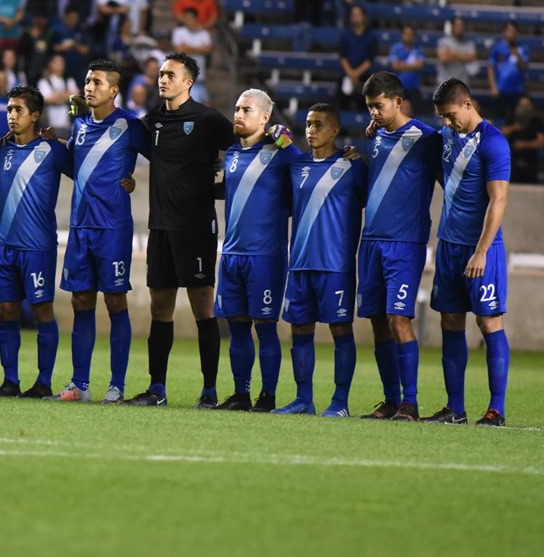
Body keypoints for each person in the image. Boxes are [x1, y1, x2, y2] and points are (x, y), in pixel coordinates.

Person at [128, 52, 236, 409]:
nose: (162, 79)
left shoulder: (207, 119)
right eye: (160, 74)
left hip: (196, 227)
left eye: (170, 74)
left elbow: (243, 148)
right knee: (161, 308)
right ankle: (156, 388)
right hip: (160, 225)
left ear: (188, 82)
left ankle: (209, 391)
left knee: (203, 306)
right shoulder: (152, 120)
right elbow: (124, 141)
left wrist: (221, 183)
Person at [49, 59, 144, 403]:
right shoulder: (80, 126)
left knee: (115, 300)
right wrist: (54, 145)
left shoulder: (131, 125)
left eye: (97, 82)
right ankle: (80, 385)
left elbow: (162, 157)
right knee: (81, 301)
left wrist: (131, 180)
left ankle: (116, 386)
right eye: (87, 81)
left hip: (113, 227)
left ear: (114, 91)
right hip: (80, 226)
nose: (89, 87)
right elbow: (77, 168)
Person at [424, 78, 511, 426]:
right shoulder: (447, 136)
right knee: (450, 320)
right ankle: (455, 409)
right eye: (442, 117)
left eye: (450, 115)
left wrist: (482, 251)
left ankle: (496, 410)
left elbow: (499, 199)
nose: (446, 122)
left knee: (488, 321)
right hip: (448, 246)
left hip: (481, 252)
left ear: (468, 105)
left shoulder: (493, 143)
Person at [357, 72, 441, 421]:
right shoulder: (375, 138)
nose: (373, 113)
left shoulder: (426, 138)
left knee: (398, 319)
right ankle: (391, 400)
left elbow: (448, 182)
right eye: (369, 108)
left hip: (405, 243)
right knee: (377, 320)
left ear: (397, 102)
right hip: (372, 241)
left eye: (378, 106)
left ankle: (410, 402)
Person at [274, 103, 367, 417]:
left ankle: (340, 403)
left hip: (335, 266)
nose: (311, 131)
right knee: (300, 331)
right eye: (309, 125)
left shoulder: (352, 167)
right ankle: (304, 400)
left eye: (318, 125)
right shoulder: (296, 166)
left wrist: (359, 154)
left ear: (335, 130)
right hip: (299, 264)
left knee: (340, 331)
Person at [0, 85, 72, 397]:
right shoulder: (3, 149)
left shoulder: (52, 151)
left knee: (41, 311)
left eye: (18, 110)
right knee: (6, 311)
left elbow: (82, 170)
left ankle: (43, 383)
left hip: (38, 246)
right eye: (9, 109)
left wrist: (59, 138)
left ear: (35, 115)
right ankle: (10, 381)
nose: (11, 115)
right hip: (6, 246)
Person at [213, 89, 297, 412]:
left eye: (246, 110)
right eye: (236, 108)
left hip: (266, 256)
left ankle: (268, 396)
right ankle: (241, 393)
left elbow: (305, 173)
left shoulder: (279, 153)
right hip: (232, 255)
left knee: (264, 326)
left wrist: (287, 144)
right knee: (236, 326)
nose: (238, 114)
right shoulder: (232, 154)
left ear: (265, 118)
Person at [487, 22, 530, 122]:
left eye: (514, 31)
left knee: (516, 120)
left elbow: (525, 68)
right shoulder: (497, 48)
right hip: (500, 90)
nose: (511, 34)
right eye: (509, 31)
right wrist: (493, 87)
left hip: (517, 90)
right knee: (499, 119)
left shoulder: (523, 48)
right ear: (504, 32)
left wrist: (518, 56)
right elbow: (490, 67)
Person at [338, 5, 377, 110]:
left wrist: (356, 74)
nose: (355, 17)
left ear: (364, 16)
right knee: (341, 104)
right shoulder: (346, 35)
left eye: (357, 14)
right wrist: (351, 74)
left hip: (364, 76)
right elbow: (343, 57)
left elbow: (369, 60)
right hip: (347, 75)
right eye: (353, 14)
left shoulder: (371, 37)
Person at [502, 96, 544, 184]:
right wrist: (514, 127)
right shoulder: (512, 119)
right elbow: (500, 135)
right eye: (521, 105)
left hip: (531, 162)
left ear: (532, 107)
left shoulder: (537, 122)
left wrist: (524, 145)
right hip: (512, 163)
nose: (523, 109)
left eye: (526, 106)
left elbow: (541, 142)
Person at [387, 24, 426, 108]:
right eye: (406, 34)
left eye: (410, 34)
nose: (408, 36)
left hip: (414, 88)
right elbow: (395, 66)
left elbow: (420, 65)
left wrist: (402, 65)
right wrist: (412, 66)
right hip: (398, 88)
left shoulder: (418, 49)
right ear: (402, 35)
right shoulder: (396, 48)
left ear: (414, 36)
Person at [36, 54, 78, 131]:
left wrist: (56, 96)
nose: (60, 65)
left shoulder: (70, 81)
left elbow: (76, 98)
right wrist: (66, 95)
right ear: (51, 64)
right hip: (49, 127)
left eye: (62, 63)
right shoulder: (43, 82)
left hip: (67, 125)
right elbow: (48, 99)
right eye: (57, 63)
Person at [436, 15, 477, 86]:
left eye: (461, 26)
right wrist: (464, 56)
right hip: (445, 84)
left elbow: (472, 58)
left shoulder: (469, 43)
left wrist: (452, 54)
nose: (459, 28)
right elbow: (444, 58)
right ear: (452, 27)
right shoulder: (443, 42)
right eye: (457, 26)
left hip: (463, 84)